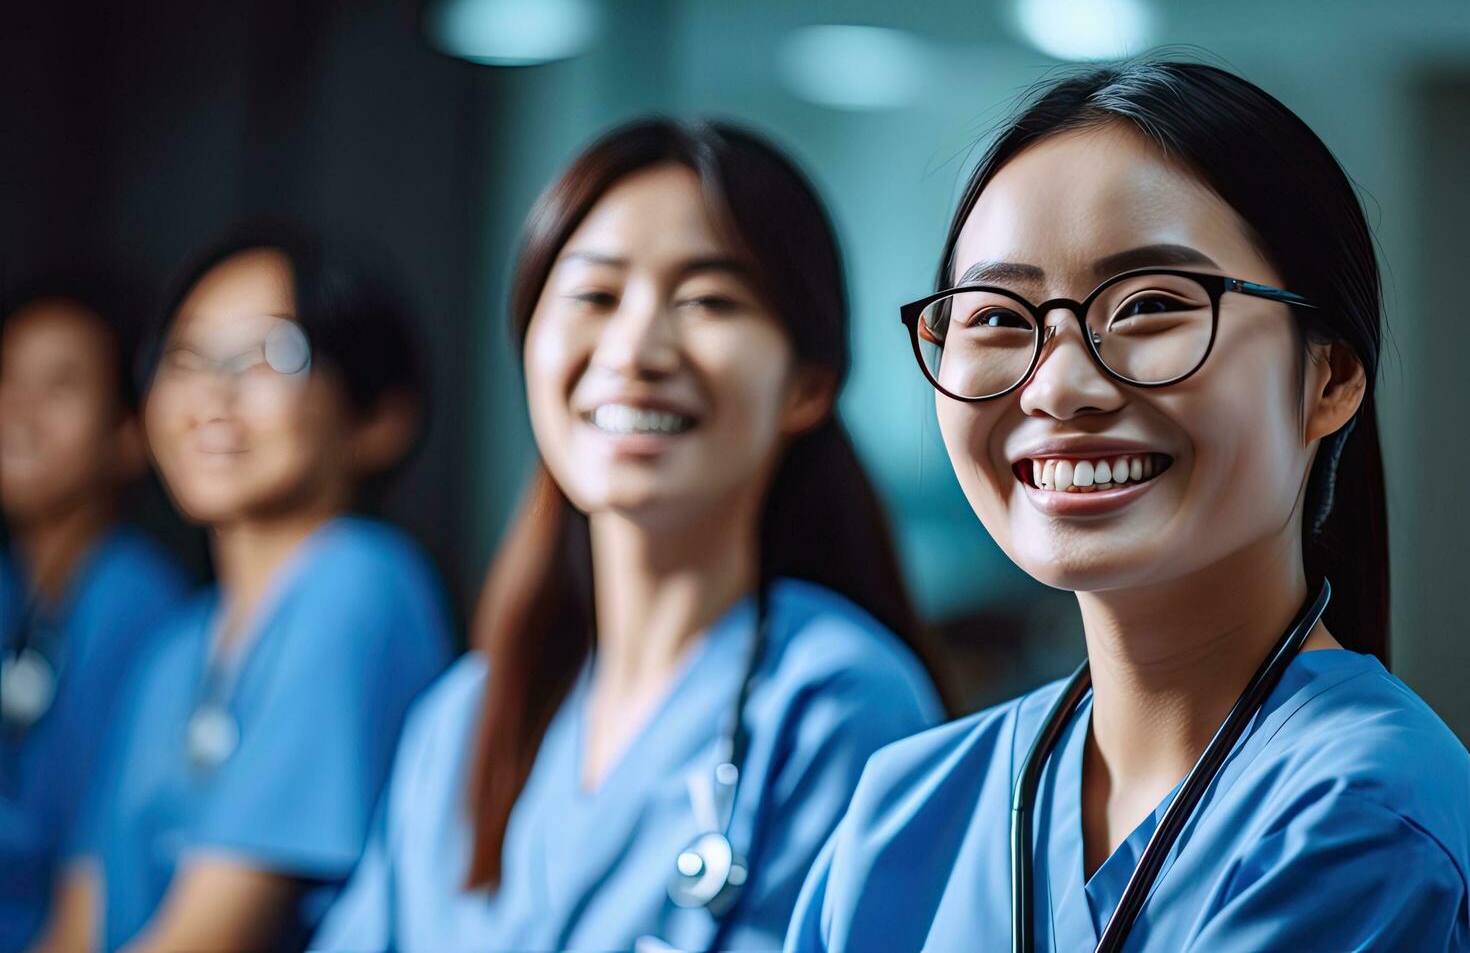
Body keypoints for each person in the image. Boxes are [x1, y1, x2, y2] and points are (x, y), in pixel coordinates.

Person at [788, 61, 1470, 951]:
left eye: (1150, 304)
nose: (1059, 387)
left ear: (1329, 377)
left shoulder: (1361, 808)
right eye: (996, 317)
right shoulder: (907, 806)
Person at [314, 119, 945, 952]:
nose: (636, 349)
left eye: (709, 300)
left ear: (808, 383)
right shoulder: (460, 723)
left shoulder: (836, 706)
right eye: (594, 296)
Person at [41, 225, 453, 951]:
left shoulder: (359, 585)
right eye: (185, 356)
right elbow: (79, 923)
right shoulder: (178, 648)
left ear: (377, 419)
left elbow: (211, 940)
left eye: (269, 354)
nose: (210, 394)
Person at [0, 284, 188, 950]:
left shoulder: (133, 601)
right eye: (8, 378)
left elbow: (93, 878)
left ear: (127, 434)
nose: (19, 410)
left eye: (61, 386)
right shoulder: (13, 584)